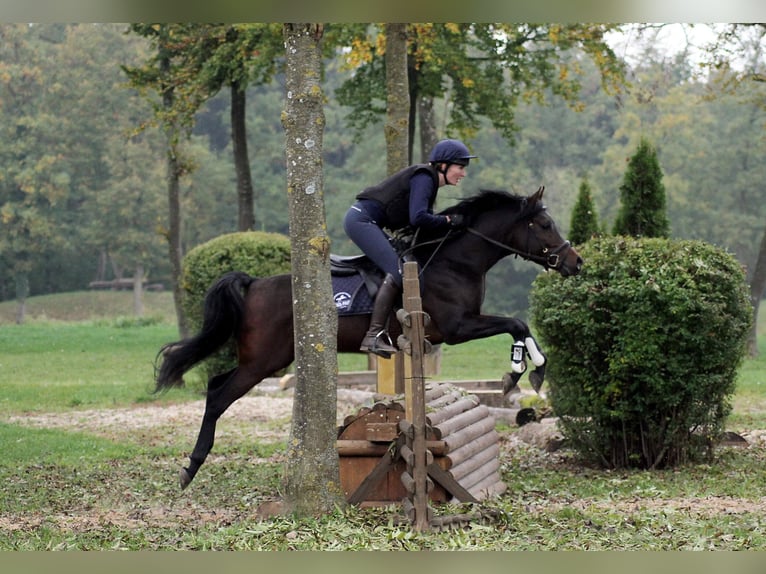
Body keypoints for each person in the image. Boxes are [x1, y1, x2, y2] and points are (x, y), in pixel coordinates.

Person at [343, 138, 477, 358]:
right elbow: (418, 218)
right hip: (361, 221)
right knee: (399, 271)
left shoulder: (430, 182)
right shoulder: (425, 177)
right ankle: (374, 335)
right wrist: (449, 221)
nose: (463, 173)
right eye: (460, 167)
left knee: (407, 266)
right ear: (443, 165)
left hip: (368, 222)